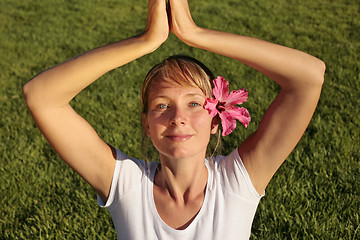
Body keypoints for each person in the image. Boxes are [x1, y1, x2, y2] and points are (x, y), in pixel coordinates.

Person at [22, 0, 325, 239]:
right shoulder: (128, 186)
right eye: (161, 106)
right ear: (146, 123)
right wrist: (146, 41)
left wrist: (195, 34)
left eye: (194, 103)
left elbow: (309, 77)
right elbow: (41, 96)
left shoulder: (237, 182)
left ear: (216, 119)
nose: (178, 118)